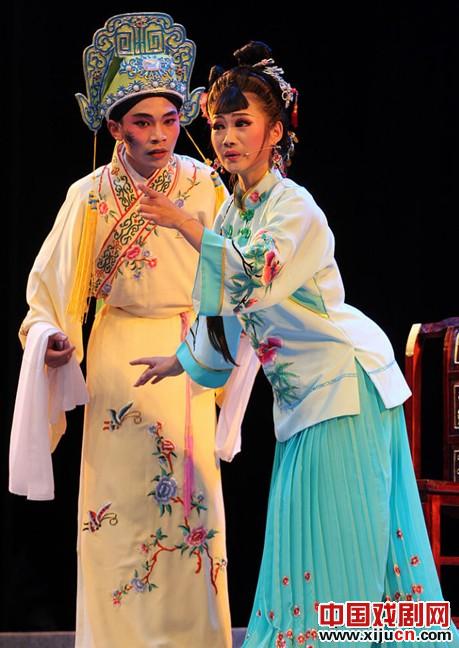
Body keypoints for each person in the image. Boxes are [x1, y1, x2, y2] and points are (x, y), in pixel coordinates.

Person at [132, 41, 459, 647]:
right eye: (220, 126)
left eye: (243, 124)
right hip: (303, 398)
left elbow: (255, 275)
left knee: (344, 547)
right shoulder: (233, 216)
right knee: (302, 547)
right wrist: (179, 360)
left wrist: (184, 224)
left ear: (275, 132)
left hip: (344, 386)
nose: (228, 138)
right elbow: (225, 315)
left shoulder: (293, 207)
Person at [9, 13, 233, 648]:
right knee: (117, 512)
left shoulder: (204, 184)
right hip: (116, 357)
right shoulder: (88, 195)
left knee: (191, 514)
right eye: (141, 121)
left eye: (170, 119)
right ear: (113, 127)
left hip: (186, 354)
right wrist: (53, 339)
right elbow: (48, 288)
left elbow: (237, 272)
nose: (159, 135)